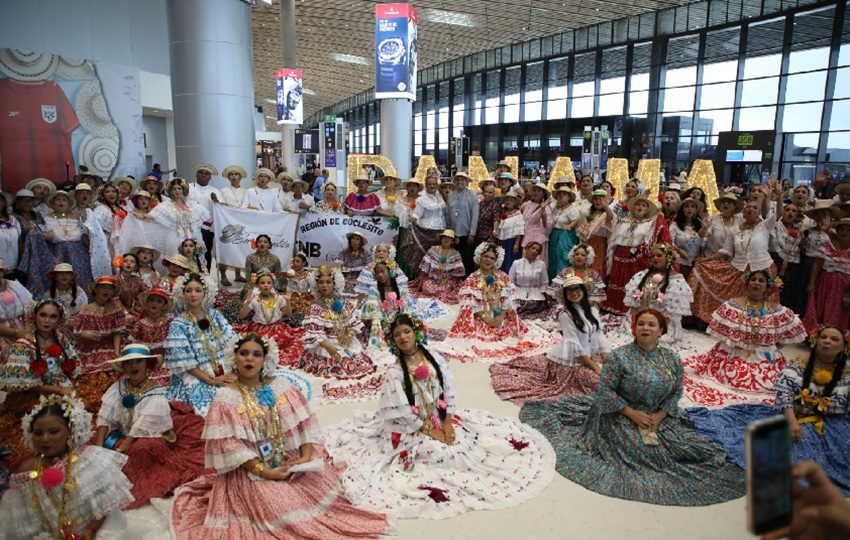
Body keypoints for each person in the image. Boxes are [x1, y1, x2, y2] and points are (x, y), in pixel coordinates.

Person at [323, 313, 555, 519]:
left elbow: (448, 390)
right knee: (436, 453)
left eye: (407, 331)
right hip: (410, 426)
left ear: (416, 333)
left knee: (464, 444)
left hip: (437, 415)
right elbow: (403, 411)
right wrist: (429, 429)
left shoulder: (434, 358)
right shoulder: (394, 373)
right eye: (397, 335)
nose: (403, 337)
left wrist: (446, 422)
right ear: (393, 341)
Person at [171, 334, 388, 539]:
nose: (250, 359)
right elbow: (232, 447)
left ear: (266, 359)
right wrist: (266, 471)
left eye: (257, 354)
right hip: (250, 469)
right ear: (233, 358)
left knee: (317, 484)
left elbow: (302, 424)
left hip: (288, 457)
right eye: (244, 353)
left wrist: (304, 458)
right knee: (279, 505)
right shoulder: (225, 399)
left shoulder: (281, 386)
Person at [519, 308, 745, 506]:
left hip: (657, 415)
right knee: (641, 453)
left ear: (661, 331)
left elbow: (676, 390)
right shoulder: (619, 357)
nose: (645, 328)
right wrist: (631, 413)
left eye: (651, 325)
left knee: (686, 450)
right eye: (641, 324)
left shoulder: (671, 358)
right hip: (617, 413)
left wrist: (659, 415)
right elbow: (605, 392)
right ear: (634, 329)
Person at [688, 326, 850, 495]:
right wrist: (792, 421)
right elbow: (785, 394)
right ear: (816, 340)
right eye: (824, 337)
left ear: (843, 346)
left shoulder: (847, 372)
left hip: (830, 425)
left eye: (834, 339)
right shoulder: (800, 362)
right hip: (792, 416)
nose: (827, 341)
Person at [0, 394, 133, 539]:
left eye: (54, 431)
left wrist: (91, 530)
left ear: (70, 431)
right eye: (38, 433)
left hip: (96, 531)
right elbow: (27, 524)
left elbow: (106, 502)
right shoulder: (25, 473)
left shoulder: (87, 460)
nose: (45, 439)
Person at [95, 343, 207, 508]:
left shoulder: (156, 393)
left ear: (147, 365)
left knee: (144, 449)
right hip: (122, 434)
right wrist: (98, 450)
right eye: (128, 363)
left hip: (147, 435)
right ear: (123, 367)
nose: (133, 366)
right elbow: (105, 419)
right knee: (95, 447)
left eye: (138, 361)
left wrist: (118, 452)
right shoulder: (117, 388)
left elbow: (140, 429)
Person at [683, 269, 807, 407]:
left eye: (761, 281)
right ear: (747, 283)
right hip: (733, 354)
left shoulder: (778, 311)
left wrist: (770, 349)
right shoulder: (733, 305)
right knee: (731, 378)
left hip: (764, 357)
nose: (756, 283)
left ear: (768, 286)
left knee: (770, 383)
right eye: (753, 279)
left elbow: (787, 336)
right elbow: (721, 333)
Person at [490, 275, 609, 405]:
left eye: (577, 289)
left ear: (583, 291)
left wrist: (607, 360)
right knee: (599, 385)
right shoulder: (566, 315)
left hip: (589, 357)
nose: (574, 293)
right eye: (569, 290)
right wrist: (596, 367)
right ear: (565, 295)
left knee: (616, 377)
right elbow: (574, 347)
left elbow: (600, 337)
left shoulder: (593, 311)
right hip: (571, 361)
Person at [689, 180, 783, 324]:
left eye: (754, 208)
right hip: (738, 268)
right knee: (739, 298)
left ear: (759, 213)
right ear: (743, 212)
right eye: (748, 208)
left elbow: (777, 216)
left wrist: (779, 196)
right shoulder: (735, 230)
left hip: (762, 267)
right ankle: (738, 325)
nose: (750, 210)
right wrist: (705, 261)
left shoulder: (764, 226)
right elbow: (725, 251)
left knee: (761, 298)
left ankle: (761, 327)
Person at [0, 300, 80, 460]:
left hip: (62, 388)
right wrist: (58, 390)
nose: (47, 320)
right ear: (34, 316)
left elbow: (74, 365)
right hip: (33, 396)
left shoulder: (60, 339)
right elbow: (24, 384)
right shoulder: (23, 344)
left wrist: (69, 386)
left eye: (52, 316)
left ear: (58, 320)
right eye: (43, 315)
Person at [300, 265, 380, 400]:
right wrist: (328, 346)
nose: (324, 286)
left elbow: (353, 323)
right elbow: (314, 333)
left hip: (346, 342)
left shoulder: (345, 303)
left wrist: (349, 336)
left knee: (357, 365)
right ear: (316, 284)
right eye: (321, 282)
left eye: (328, 282)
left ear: (335, 283)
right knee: (341, 367)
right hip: (327, 345)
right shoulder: (315, 307)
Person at [165, 273, 236, 416]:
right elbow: (186, 364)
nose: (193, 294)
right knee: (215, 408)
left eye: (198, 290)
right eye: (188, 290)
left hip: (226, 366)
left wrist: (234, 371)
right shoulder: (178, 324)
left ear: (205, 292)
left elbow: (232, 344)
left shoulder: (215, 315)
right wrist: (212, 380)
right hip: (198, 375)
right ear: (182, 294)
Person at [603, 195, 670, 314]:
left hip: (636, 257)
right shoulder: (623, 221)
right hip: (620, 254)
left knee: (634, 282)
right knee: (618, 280)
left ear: (647, 210)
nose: (640, 207)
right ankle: (615, 306)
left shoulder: (649, 224)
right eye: (638, 204)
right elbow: (613, 238)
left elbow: (652, 240)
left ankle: (631, 308)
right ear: (633, 208)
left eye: (644, 205)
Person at [20, 190, 93, 298]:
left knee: (81, 278)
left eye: (64, 200)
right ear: (53, 203)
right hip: (58, 252)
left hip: (79, 253)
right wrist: (44, 235)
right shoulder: (46, 219)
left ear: (68, 204)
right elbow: (40, 234)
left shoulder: (77, 218)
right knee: (59, 278)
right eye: (58, 199)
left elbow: (84, 236)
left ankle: (82, 302)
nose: (61, 202)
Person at [71, 275, 126, 411]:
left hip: (109, 345)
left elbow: (116, 332)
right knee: (90, 378)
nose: (105, 291)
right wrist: (86, 335)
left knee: (115, 372)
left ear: (113, 292)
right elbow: (77, 330)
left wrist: (117, 351)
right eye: (102, 287)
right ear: (96, 290)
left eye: (109, 288)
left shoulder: (114, 309)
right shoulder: (87, 309)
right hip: (89, 348)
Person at [623, 243, 694, 344]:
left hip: (662, 326)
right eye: (652, 256)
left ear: (668, 258)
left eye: (659, 255)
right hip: (639, 321)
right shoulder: (642, 275)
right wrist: (635, 322)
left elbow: (672, 311)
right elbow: (633, 302)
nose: (655, 258)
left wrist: (657, 328)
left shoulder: (676, 280)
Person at [235, 271, 303, 364]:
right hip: (258, 329)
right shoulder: (254, 299)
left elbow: (288, 314)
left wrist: (288, 302)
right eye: (262, 283)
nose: (265, 285)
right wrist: (247, 303)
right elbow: (241, 316)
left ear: (273, 284)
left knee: (281, 344)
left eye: (268, 283)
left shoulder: (279, 298)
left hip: (276, 328)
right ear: (258, 285)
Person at [147, 178, 210, 271]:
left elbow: (205, 215)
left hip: (192, 236)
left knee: (195, 261)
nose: (177, 191)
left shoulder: (191, 205)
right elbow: (152, 215)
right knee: (176, 261)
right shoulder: (166, 205)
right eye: (174, 189)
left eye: (179, 188)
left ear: (183, 190)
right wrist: (140, 214)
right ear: (170, 191)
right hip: (174, 237)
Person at [803, 217, 850, 332]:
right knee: (822, 308)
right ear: (837, 231)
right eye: (842, 229)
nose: (845, 232)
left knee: (842, 311)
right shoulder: (828, 246)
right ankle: (818, 335)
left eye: (848, 230)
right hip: (826, 283)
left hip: (845, 288)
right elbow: (817, 266)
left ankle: (838, 337)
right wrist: (812, 283)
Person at [403, 175, 446, 277]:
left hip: (440, 231)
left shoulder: (440, 197)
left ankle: (435, 278)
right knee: (424, 256)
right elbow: (417, 213)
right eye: (429, 184)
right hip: (426, 231)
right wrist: (412, 217)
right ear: (426, 185)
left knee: (437, 256)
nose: (432, 186)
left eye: (434, 184)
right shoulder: (421, 199)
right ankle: (421, 279)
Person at [129, 288, 174, 380]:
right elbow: (132, 347)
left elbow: (175, 347)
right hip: (144, 364)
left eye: (159, 301)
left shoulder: (170, 323)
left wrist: (162, 359)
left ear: (164, 306)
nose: (154, 303)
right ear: (147, 303)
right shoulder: (140, 324)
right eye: (152, 300)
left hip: (167, 362)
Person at [412, 229, 465, 304]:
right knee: (427, 288)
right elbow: (425, 267)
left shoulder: (456, 254)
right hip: (432, 278)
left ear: (452, 241)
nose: (446, 239)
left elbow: (456, 272)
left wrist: (446, 279)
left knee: (444, 290)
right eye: (444, 237)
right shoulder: (433, 250)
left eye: (449, 238)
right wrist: (421, 281)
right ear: (441, 239)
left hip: (446, 279)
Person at [217, 164, 248, 285]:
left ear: (240, 177)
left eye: (236, 174)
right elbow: (220, 206)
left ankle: (238, 274)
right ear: (228, 177)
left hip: (241, 224)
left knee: (239, 249)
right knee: (225, 249)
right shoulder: (223, 191)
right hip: (227, 223)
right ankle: (223, 275)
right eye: (231, 174)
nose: (234, 176)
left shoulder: (246, 191)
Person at [186, 164, 221, 271]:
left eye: (207, 174)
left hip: (207, 228)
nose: (203, 175)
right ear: (196, 175)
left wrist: (216, 201)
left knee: (205, 253)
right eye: (201, 173)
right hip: (189, 227)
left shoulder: (215, 191)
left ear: (210, 177)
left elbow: (221, 209)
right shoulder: (188, 187)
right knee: (189, 252)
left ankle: (206, 278)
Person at [577, 189, 616, 279]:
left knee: (596, 267)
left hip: (600, 245)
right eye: (596, 199)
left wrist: (605, 206)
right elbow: (585, 229)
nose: (597, 201)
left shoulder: (607, 213)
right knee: (586, 266)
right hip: (588, 243)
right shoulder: (591, 213)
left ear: (605, 201)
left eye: (600, 199)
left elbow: (610, 218)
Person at [446, 172, 480, 274]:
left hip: (467, 234)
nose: (460, 182)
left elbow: (475, 215)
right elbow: (448, 215)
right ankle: (455, 281)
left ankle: (467, 282)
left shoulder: (472, 195)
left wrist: (472, 233)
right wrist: (448, 233)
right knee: (453, 259)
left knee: (467, 259)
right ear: (455, 182)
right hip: (453, 233)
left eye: (463, 180)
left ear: (467, 182)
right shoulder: (451, 195)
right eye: (458, 179)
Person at [669, 197, 710, 278]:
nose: (689, 209)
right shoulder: (675, 225)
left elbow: (703, 243)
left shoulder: (699, 226)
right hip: (678, 263)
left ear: (696, 210)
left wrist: (705, 229)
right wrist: (679, 251)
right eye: (686, 206)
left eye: (692, 206)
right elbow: (669, 242)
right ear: (682, 210)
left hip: (695, 265)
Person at [509, 241, 550, 317]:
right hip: (518, 295)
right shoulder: (516, 263)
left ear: (538, 254)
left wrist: (548, 300)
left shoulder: (541, 264)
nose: (534, 251)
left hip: (536, 297)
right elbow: (510, 282)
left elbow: (545, 283)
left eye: (537, 250)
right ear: (527, 249)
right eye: (533, 248)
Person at [548, 186, 580, 279]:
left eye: (564, 194)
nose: (561, 195)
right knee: (553, 258)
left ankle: (562, 282)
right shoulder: (555, 208)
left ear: (569, 197)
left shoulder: (571, 209)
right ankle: (552, 282)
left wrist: (569, 227)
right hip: (554, 235)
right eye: (559, 194)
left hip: (565, 236)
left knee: (563, 258)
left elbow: (576, 220)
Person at [521, 182, 554, 264]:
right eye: (535, 190)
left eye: (539, 191)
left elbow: (548, 224)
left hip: (538, 238)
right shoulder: (527, 205)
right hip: (527, 236)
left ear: (544, 194)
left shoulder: (547, 207)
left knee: (537, 261)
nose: (536, 192)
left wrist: (543, 211)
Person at [396, 177, 422, 277]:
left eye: (414, 186)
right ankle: (403, 273)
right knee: (404, 251)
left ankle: (414, 275)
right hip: (405, 229)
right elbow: (398, 214)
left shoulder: (422, 200)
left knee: (416, 251)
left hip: (418, 230)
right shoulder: (401, 200)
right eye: (410, 185)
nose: (412, 188)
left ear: (418, 188)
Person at [494, 191, 525, 272]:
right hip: (502, 242)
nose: (508, 202)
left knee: (510, 262)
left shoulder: (518, 214)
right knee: (502, 261)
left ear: (515, 202)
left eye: (511, 200)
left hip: (512, 242)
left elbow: (519, 230)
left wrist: (517, 244)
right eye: (507, 200)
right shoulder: (504, 213)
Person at [0, 193, 21, 274]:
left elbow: (19, 241)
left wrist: (20, 260)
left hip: (13, 263)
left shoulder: (13, 220)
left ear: (4, 203)